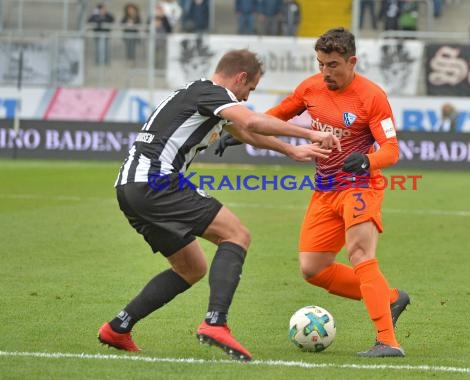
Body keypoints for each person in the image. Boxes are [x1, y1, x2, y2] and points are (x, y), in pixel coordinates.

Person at [97, 49, 340, 361]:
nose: (246, 97)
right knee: (237, 235)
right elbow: (252, 120)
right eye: (249, 90)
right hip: (156, 181)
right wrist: (310, 132)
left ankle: (119, 327)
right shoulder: (213, 93)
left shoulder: (200, 96)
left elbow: (246, 131)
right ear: (240, 78)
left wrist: (291, 151)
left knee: (191, 268)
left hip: (131, 187)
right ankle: (215, 323)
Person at [217, 27, 410, 357]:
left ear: (352, 61)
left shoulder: (372, 96)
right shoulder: (310, 87)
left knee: (360, 253)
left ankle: (387, 341)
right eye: (320, 64)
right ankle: (390, 298)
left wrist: (366, 160)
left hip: (361, 186)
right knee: (313, 268)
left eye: (333, 65)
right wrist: (243, 131)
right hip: (325, 189)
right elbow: (277, 115)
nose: (325, 72)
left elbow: (392, 150)